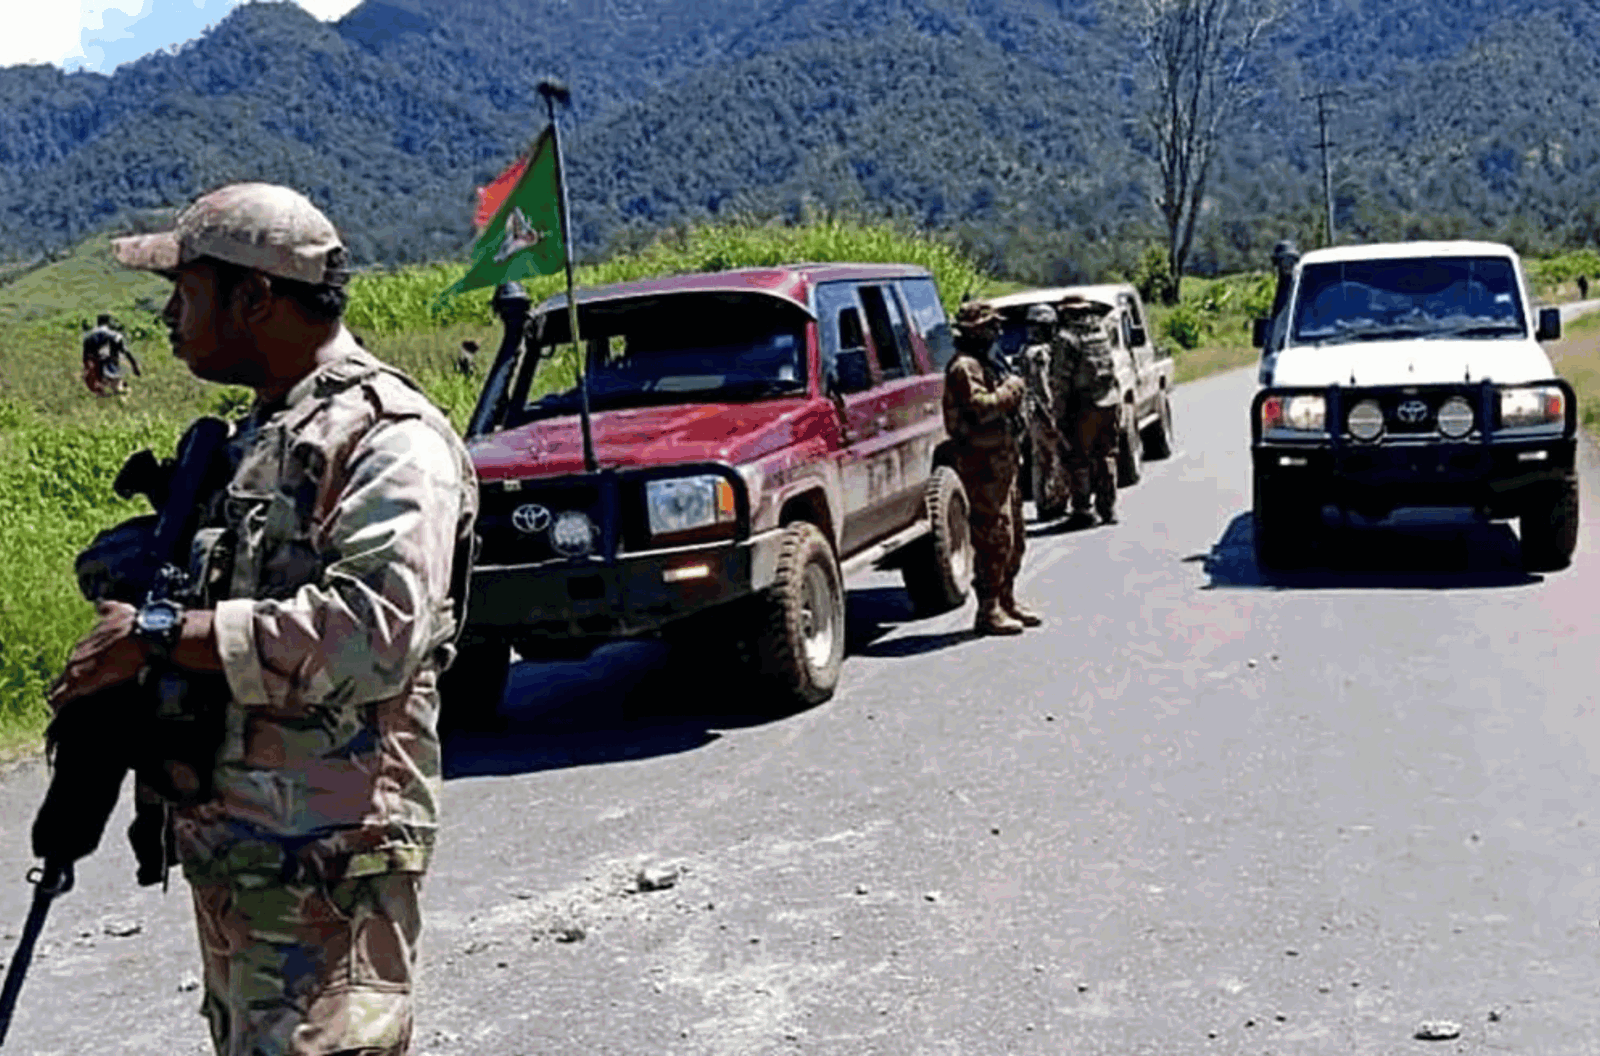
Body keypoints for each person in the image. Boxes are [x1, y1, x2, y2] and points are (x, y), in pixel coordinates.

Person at [46, 182, 478, 1056]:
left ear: (256, 297)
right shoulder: (261, 437)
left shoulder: (389, 438)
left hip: (327, 860)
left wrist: (160, 634)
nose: (170, 318)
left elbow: (375, 631)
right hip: (246, 852)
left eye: (187, 292)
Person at [942, 302, 1042, 635]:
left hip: (1004, 460)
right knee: (992, 538)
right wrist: (1010, 391)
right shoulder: (964, 368)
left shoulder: (989, 361)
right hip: (982, 465)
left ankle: (1007, 599)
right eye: (990, 326)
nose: (997, 332)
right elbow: (980, 408)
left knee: (1014, 537)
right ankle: (988, 609)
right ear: (974, 330)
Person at [1053, 297, 1120, 527]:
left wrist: (1058, 415)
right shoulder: (1099, 332)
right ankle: (1108, 509)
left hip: (1083, 406)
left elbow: (1060, 380)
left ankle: (1082, 510)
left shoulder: (1066, 338)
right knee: (1106, 456)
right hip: (1109, 401)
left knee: (1078, 457)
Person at [1018, 304, 1071, 523]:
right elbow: (1041, 387)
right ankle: (1048, 504)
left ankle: (1051, 502)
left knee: (1043, 458)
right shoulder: (1038, 353)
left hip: (1036, 412)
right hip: (1042, 412)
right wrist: (1052, 413)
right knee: (1048, 458)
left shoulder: (1030, 350)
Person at [82, 312, 142, 396]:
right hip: (110, 366)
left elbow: (85, 356)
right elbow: (125, 352)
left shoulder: (88, 336)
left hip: (93, 368)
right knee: (119, 392)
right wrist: (134, 366)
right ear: (108, 322)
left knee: (100, 393)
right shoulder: (114, 335)